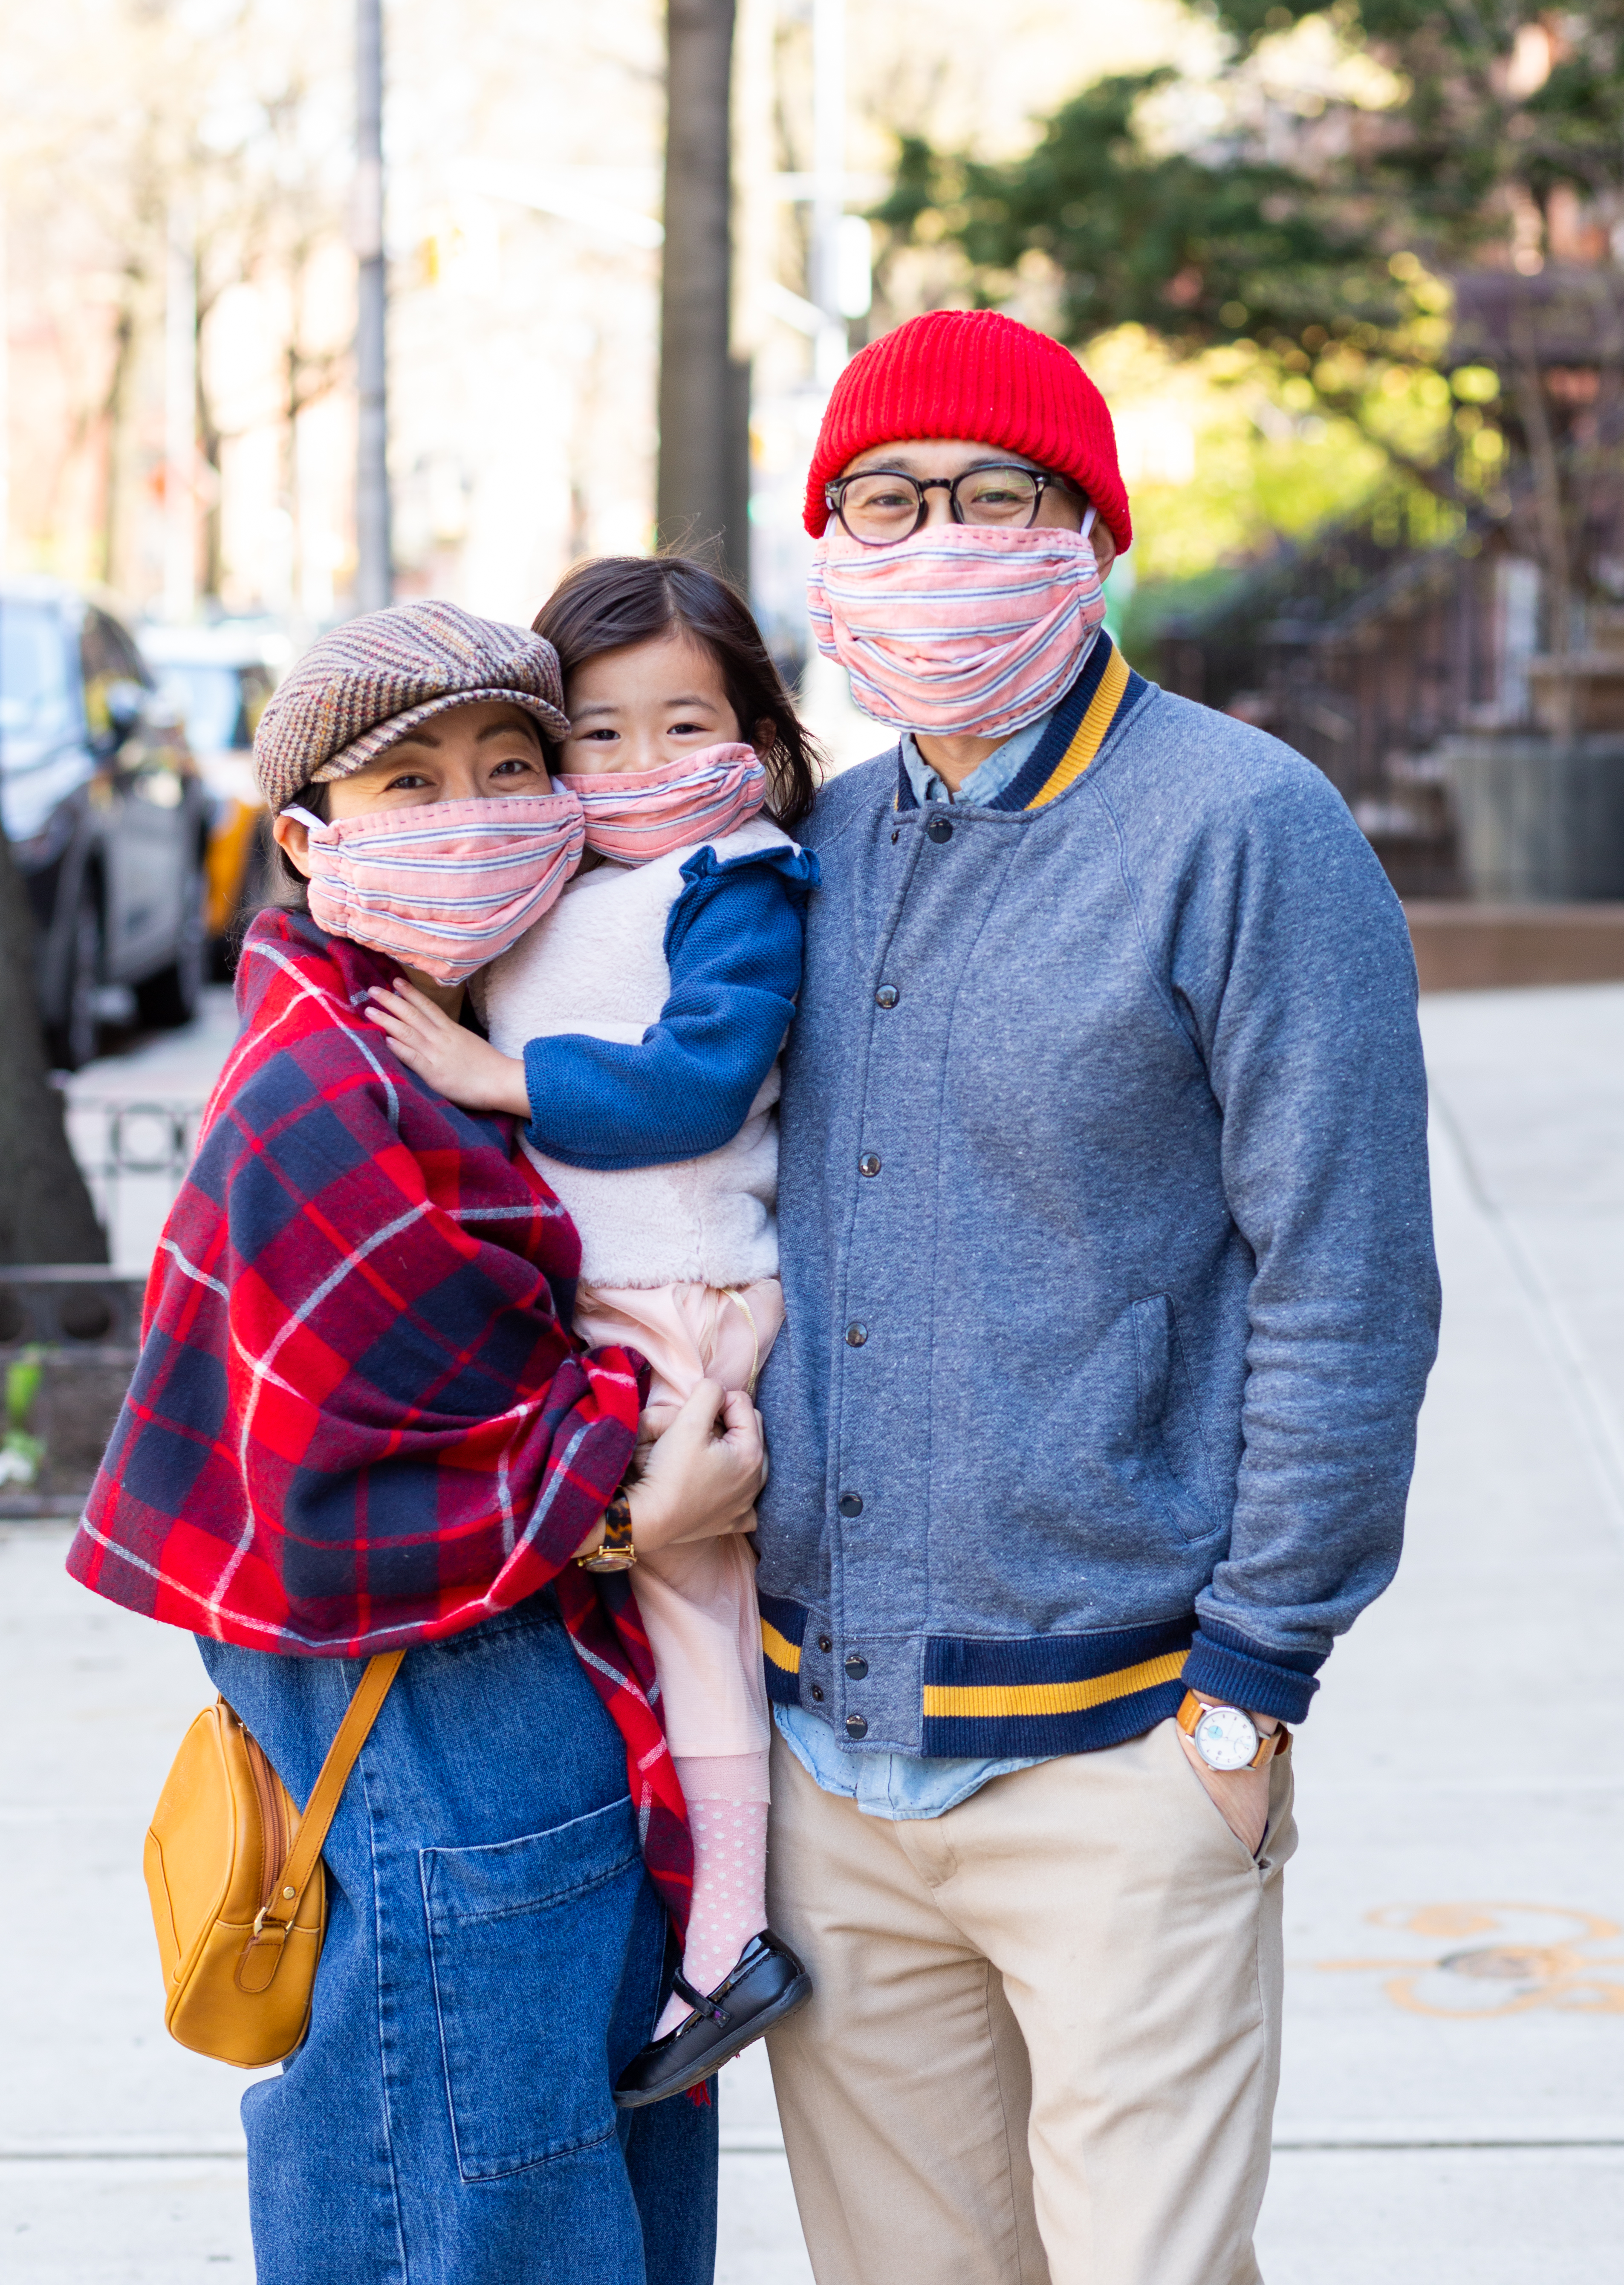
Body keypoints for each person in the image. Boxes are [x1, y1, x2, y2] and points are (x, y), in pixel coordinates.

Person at [752, 309, 1442, 2285]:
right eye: (887, 502)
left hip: (1130, 1750)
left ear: (1092, 534)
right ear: (830, 544)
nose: (937, 539)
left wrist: (1250, 1693)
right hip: (831, 1755)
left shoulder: (1243, 828)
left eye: (994, 496)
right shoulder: (818, 846)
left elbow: (1352, 1280)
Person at [68, 599, 764, 2285]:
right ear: (308, 839)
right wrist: (641, 1493)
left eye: (512, 766)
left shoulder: (489, 1039)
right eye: (411, 784)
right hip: (442, 1735)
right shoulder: (325, 1090)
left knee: (566, 2178)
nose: (474, 813)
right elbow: (362, 1474)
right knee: (481, 2207)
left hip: (538, 1733)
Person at [365, 558, 824, 2104]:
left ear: (754, 740)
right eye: (597, 736)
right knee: (629, 1611)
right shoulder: (566, 884)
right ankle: (682, 1916)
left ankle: (732, 1945)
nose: (636, 768)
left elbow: (701, 1079)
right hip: (598, 1298)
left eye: (679, 724)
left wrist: (504, 1079)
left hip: (682, 1290)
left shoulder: (741, 876)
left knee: (690, 1606)